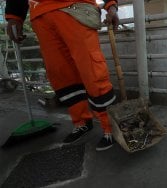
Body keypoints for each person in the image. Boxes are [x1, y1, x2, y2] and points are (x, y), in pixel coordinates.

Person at [5, 0, 120, 151]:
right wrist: (14, 16)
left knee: (92, 71)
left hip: (75, 8)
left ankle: (110, 127)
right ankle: (81, 122)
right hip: (40, 16)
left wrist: (111, 5)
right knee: (62, 75)